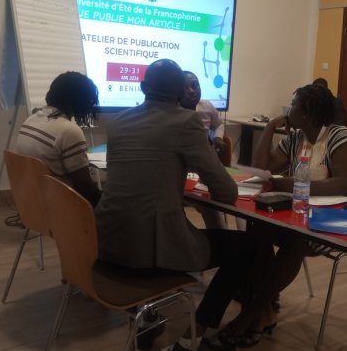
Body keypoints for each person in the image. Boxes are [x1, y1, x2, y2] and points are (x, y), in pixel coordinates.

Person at [94, 59, 267, 350]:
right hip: (151, 251)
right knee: (249, 246)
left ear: (142, 87)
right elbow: (226, 192)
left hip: (109, 242)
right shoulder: (186, 122)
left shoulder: (119, 122)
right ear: (181, 93)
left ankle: (149, 318)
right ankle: (193, 335)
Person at [217, 84, 347, 348]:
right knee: (258, 229)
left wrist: (294, 185)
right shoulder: (297, 137)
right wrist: (269, 128)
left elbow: (344, 185)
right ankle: (265, 310)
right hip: (306, 209)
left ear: (307, 112)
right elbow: (263, 167)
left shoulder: (340, 137)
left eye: (294, 105)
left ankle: (253, 311)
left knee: (297, 240)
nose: (289, 110)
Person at [15, 71, 101, 207]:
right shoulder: (69, 131)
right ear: (78, 100)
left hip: (32, 201)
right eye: (89, 101)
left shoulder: (30, 120)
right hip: (60, 205)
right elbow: (84, 188)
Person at [180, 70, 229, 230]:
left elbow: (219, 124)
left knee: (211, 202)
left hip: (204, 165)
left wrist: (218, 137)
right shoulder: (172, 113)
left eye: (195, 85)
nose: (191, 90)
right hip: (181, 169)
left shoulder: (206, 106)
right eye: (185, 87)